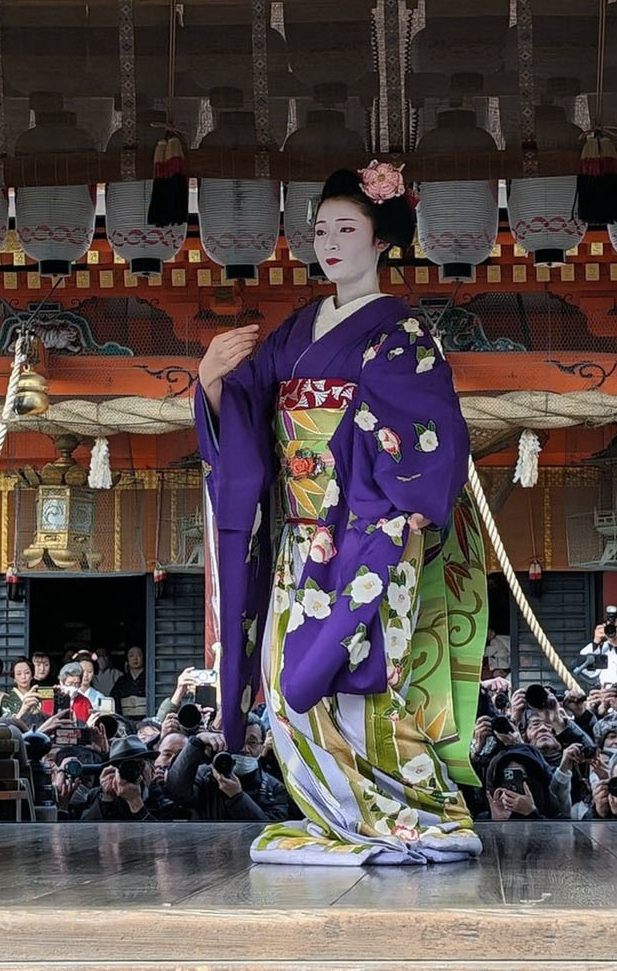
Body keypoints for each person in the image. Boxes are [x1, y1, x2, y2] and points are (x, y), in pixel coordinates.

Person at [195, 163, 487, 866]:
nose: (328, 242)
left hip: (372, 532)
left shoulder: (403, 332)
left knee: (360, 680)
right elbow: (249, 409)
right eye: (321, 229)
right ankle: (338, 818)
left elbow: (430, 428)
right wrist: (210, 377)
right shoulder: (297, 329)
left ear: (381, 239)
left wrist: (407, 513)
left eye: (346, 228)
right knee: (283, 683)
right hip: (303, 537)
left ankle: (424, 812)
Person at [111, 646, 149, 718]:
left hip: (146, 719)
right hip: (125, 719)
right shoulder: (122, 681)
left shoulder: (149, 678)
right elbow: (114, 700)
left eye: (139, 655)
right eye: (131, 656)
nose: (135, 658)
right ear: (127, 660)